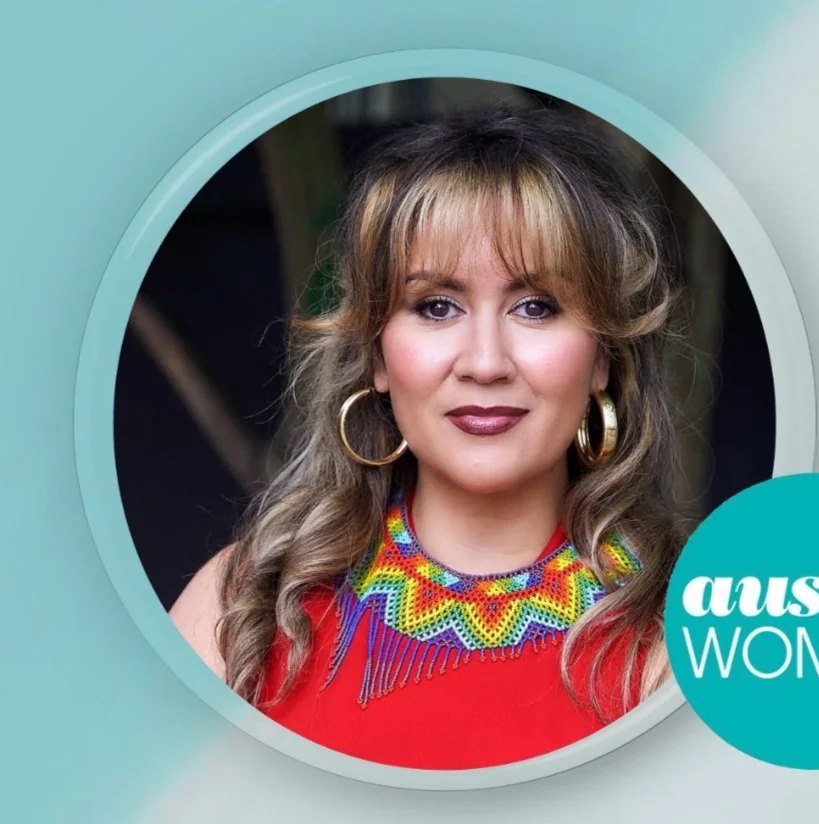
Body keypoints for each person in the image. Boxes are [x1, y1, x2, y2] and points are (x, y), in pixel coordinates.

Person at [169, 107, 686, 770]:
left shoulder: (691, 635)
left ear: (602, 358)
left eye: (536, 306)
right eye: (435, 305)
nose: (484, 361)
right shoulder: (247, 602)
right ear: (379, 357)